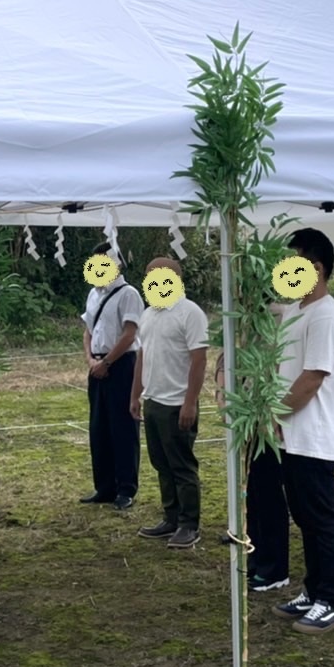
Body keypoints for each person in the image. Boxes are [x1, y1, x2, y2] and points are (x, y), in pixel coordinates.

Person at [270, 228, 334, 634]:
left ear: (316, 268)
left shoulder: (326, 315)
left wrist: (274, 416)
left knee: (322, 520)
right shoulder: (299, 309)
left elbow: (311, 379)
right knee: (304, 516)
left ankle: (332, 600)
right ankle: (313, 589)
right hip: (293, 434)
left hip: (313, 435)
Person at [214, 298, 294, 590]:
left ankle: (275, 568)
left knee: (268, 492)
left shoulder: (277, 317)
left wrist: (266, 414)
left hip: (265, 421)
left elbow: (276, 369)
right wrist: (224, 392)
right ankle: (257, 555)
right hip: (245, 417)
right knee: (253, 493)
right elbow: (227, 356)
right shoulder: (243, 315)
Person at [131, 257, 209, 549]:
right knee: (161, 463)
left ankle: (190, 524)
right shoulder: (149, 313)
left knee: (181, 465)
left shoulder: (190, 313)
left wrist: (190, 402)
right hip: (153, 399)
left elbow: (199, 359)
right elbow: (142, 356)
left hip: (177, 402)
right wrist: (135, 395)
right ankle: (171, 517)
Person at [80, 244, 144, 510]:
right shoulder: (93, 294)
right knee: (99, 426)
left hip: (121, 364)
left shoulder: (129, 294)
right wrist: (92, 361)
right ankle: (104, 486)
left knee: (123, 427)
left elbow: (130, 333)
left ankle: (126, 488)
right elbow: (87, 331)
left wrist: (107, 361)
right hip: (97, 365)